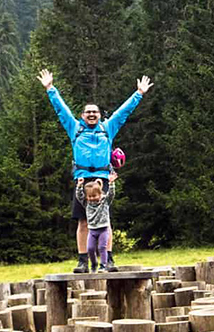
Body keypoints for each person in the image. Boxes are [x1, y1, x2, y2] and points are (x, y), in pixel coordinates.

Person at [38, 68, 151, 272]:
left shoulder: (108, 128)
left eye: (95, 112)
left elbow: (124, 112)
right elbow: (61, 109)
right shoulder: (75, 128)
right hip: (82, 180)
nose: (91, 114)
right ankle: (83, 261)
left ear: (99, 115)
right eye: (88, 112)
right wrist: (50, 88)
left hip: (103, 179)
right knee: (83, 221)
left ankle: (108, 261)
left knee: (105, 221)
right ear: (82, 115)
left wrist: (139, 93)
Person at [75, 172, 117, 271]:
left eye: (94, 196)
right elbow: (79, 196)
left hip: (103, 229)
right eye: (90, 197)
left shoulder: (105, 202)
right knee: (90, 248)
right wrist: (79, 185)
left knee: (102, 247)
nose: (92, 199)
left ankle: (103, 265)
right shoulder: (87, 204)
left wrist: (111, 183)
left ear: (100, 194)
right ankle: (94, 264)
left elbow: (111, 194)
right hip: (92, 230)